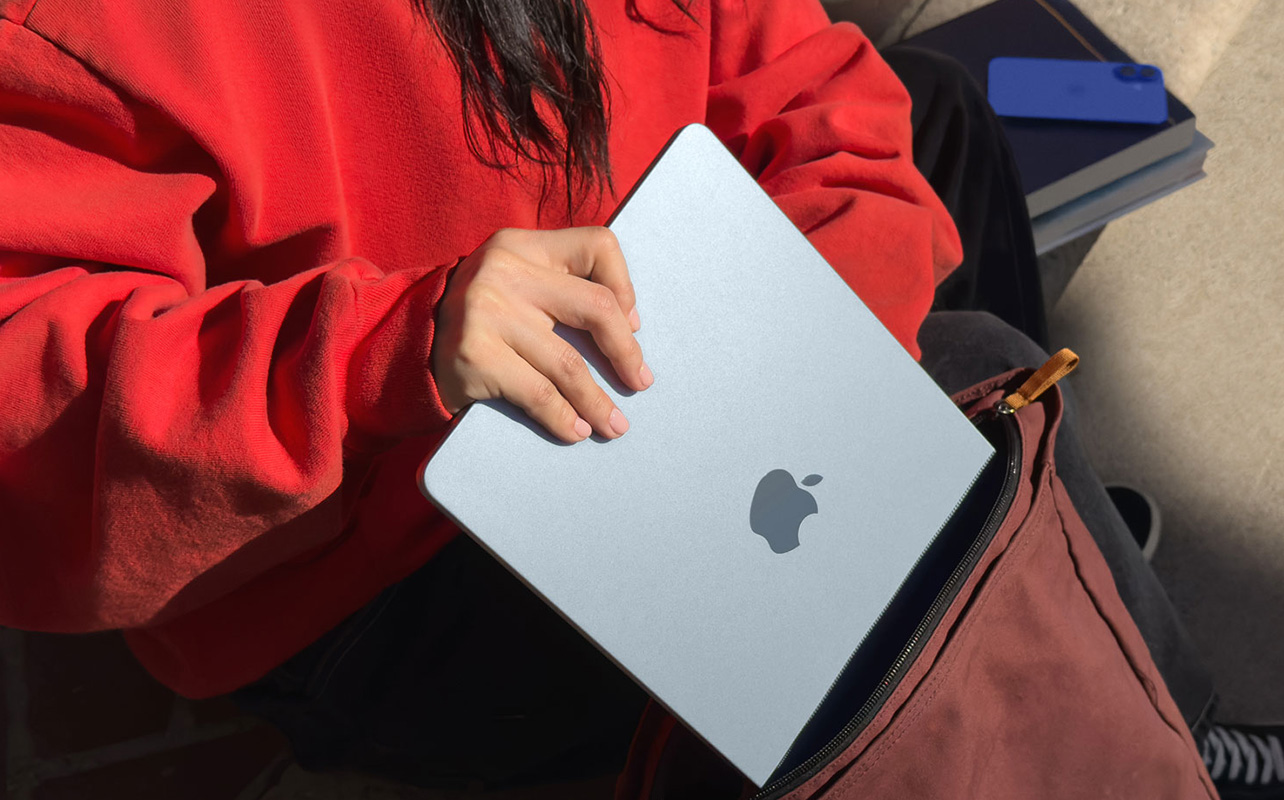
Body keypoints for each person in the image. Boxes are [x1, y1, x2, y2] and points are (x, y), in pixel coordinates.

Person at [0, 0, 1275, 796]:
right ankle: (1115, 702)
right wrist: (391, 346)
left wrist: (792, 370)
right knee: (959, 375)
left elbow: (812, 86)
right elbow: (35, 428)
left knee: (943, 126)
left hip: (644, 354)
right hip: (387, 552)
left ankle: (1008, 590)